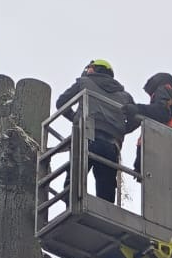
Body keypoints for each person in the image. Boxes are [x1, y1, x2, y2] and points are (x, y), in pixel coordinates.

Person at [56, 59, 135, 203]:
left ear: (95, 69)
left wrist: (77, 119)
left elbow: (61, 103)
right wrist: (120, 129)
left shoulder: (84, 82)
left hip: (87, 137)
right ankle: (106, 217)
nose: (87, 70)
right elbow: (136, 118)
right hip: (112, 146)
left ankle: (71, 207)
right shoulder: (125, 96)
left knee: (73, 185)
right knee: (106, 191)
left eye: (89, 68)